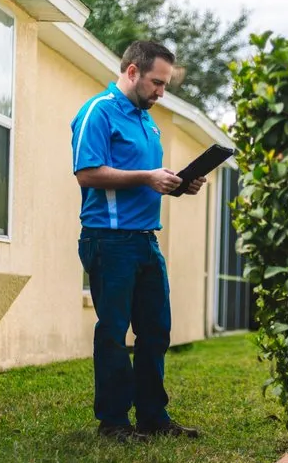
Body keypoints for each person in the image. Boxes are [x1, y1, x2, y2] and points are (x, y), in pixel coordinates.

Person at [70, 40, 205, 442]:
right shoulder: (98, 111)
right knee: (113, 330)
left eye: (164, 85)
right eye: (156, 83)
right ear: (132, 71)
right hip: (109, 241)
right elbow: (87, 173)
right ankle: (113, 422)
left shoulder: (148, 122)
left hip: (146, 241)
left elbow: (149, 181)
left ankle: (152, 416)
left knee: (156, 330)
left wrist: (179, 185)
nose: (161, 93)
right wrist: (148, 177)